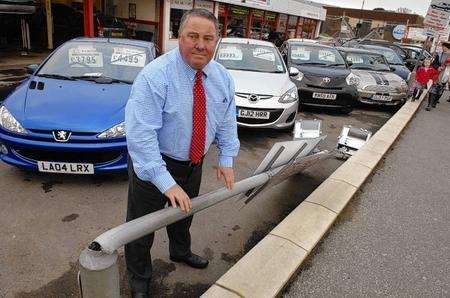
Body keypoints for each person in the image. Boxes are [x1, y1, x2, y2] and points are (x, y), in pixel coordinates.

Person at [124, 9, 240, 298]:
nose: (200, 44)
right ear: (179, 37)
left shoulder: (222, 77)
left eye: (208, 38)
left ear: (217, 42)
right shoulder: (155, 76)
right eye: (193, 36)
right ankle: (139, 277)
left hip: (193, 162)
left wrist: (226, 159)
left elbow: (226, 119)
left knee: (183, 215)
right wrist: (166, 182)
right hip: (154, 165)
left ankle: (180, 251)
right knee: (141, 227)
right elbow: (141, 135)